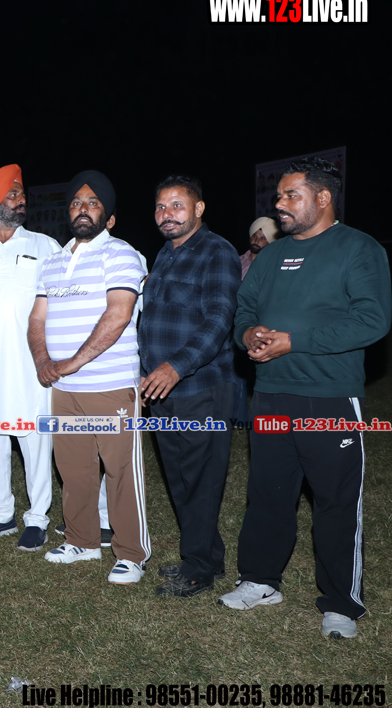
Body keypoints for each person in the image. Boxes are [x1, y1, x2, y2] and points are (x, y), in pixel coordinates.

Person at [220, 158, 391, 640]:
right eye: (278, 196)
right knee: (267, 493)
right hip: (270, 396)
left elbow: (372, 320)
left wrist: (294, 341)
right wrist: (248, 333)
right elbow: (244, 309)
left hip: (328, 398)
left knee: (335, 502)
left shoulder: (358, 248)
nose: (279, 204)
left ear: (323, 197)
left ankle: (341, 603)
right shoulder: (271, 256)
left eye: (290, 195)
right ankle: (260, 580)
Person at [29, 170, 151, 584]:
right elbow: (37, 319)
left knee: (121, 471)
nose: (83, 209)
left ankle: (131, 553)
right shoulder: (53, 262)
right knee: (74, 468)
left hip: (110, 384)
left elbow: (118, 315)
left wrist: (71, 362)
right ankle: (81, 540)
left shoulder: (121, 254)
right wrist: (44, 361)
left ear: (108, 216)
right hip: (64, 389)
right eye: (77, 202)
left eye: (93, 202)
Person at [138, 176, 240, 597]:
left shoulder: (217, 251)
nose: (167, 215)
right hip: (162, 389)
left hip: (201, 387)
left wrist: (174, 367)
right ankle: (207, 556)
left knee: (201, 480)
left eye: (177, 206)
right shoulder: (164, 254)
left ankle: (197, 569)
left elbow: (219, 320)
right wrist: (147, 371)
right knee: (180, 478)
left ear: (198, 209)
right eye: (160, 207)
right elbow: (152, 321)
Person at [0, 164, 60, 550]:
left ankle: (37, 518)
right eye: (12, 194)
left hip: (31, 363)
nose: (21, 200)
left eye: (21, 194)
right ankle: (1, 514)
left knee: (35, 437)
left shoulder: (45, 246)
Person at [239, 216, 278, 280]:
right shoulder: (239, 261)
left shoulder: (273, 265)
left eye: (262, 238)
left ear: (270, 242)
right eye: (254, 236)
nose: (256, 241)